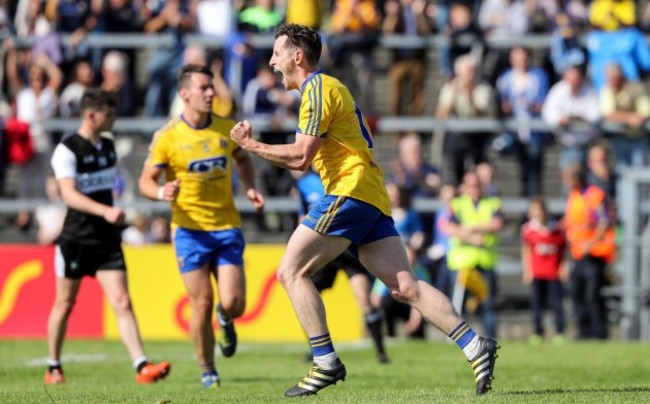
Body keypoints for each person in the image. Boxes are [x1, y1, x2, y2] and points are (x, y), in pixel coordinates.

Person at [230, 23, 499, 397]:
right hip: (370, 193)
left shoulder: (318, 89)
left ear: (297, 56)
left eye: (277, 53)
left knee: (290, 272)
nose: (271, 61)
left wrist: (250, 145)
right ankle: (475, 345)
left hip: (349, 190)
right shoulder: (327, 88)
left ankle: (325, 362)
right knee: (404, 286)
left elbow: (299, 157)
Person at [138, 64, 265, 388]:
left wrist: (249, 187)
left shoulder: (227, 129)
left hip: (225, 226)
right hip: (188, 230)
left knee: (234, 303)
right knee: (202, 301)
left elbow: (243, 158)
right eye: (203, 88)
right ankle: (208, 369)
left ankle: (226, 319)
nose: (211, 93)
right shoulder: (167, 137)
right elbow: (145, 182)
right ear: (184, 94)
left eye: (211, 87)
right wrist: (160, 192)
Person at [45, 89, 171, 385]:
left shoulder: (108, 147)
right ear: (91, 115)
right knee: (65, 304)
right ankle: (53, 366)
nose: (113, 119)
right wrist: (105, 211)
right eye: (109, 114)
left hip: (105, 239)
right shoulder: (67, 150)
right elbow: (69, 195)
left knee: (122, 301)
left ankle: (142, 367)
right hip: (75, 239)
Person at [293, 168, 388, 364]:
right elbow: (301, 216)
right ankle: (317, 349)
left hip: (347, 247)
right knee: (304, 293)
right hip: (323, 249)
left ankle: (381, 353)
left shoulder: (343, 174)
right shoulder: (304, 183)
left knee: (364, 299)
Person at [445, 172, 504, 339]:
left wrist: (471, 228)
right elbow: (449, 227)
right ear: (464, 187)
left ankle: (490, 339)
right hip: (462, 262)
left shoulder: (493, 203)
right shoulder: (456, 204)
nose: (475, 189)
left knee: (488, 303)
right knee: (458, 305)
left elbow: (497, 224)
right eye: (471, 185)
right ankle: (462, 339)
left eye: (477, 185)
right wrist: (473, 238)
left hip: (484, 261)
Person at [562, 164, 615, 340]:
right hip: (578, 253)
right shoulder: (574, 195)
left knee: (593, 294)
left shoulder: (594, 195)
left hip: (594, 254)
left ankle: (599, 332)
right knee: (576, 292)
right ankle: (583, 332)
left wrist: (590, 244)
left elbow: (604, 221)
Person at [521, 197, 567, 345]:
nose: (537, 213)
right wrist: (527, 270)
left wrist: (563, 267)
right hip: (537, 273)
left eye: (539, 210)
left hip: (553, 273)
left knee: (556, 304)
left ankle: (559, 332)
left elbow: (563, 250)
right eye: (534, 210)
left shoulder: (556, 229)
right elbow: (526, 250)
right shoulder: (528, 230)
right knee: (537, 305)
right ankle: (537, 332)